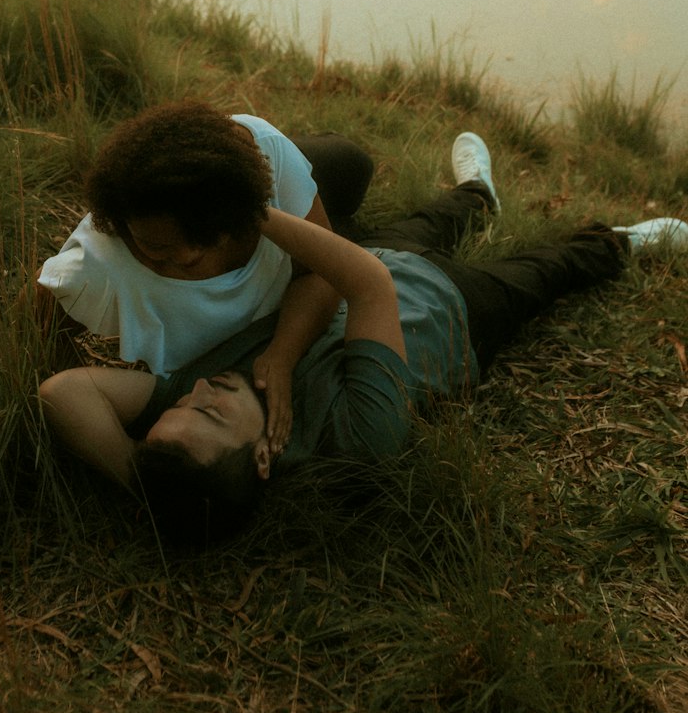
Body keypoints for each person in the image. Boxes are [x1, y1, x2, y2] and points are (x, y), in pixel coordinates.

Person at [38, 132, 688, 542]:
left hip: (360, 270)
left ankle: (478, 191)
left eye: (180, 405)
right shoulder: (356, 439)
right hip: (450, 306)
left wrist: (140, 482)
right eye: (207, 409)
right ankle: (620, 241)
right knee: (544, 274)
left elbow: (64, 391)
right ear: (263, 460)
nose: (199, 387)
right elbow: (369, 283)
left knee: (429, 219)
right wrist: (250, 212)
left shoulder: (192, 427)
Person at [37, 100, 373, 451]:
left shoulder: (268, 166)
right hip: (244, 192)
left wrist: (282, 355)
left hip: (268, 183)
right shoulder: (98, 265)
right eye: (157, 246)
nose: (185, 256)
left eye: (203, 237)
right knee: (364, 238)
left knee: (353, 165)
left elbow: (320, 273)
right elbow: (42, 314)